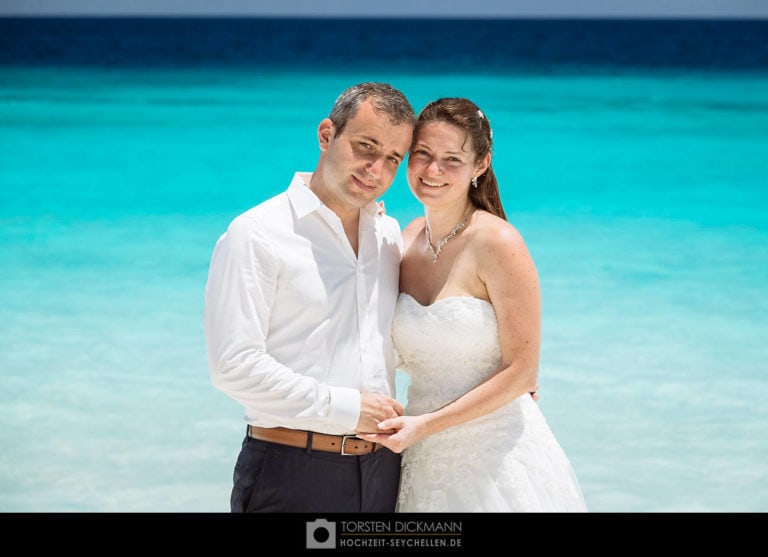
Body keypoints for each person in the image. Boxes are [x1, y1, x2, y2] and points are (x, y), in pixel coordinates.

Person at [359, 98, 588, 512]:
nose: (433, 170)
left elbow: (523, 372)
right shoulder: (403, 239)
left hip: (496, 458)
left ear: (480, 165)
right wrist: (358, 221)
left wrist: (423, 426)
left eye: (452, 159)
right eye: (423, 154)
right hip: (419, 457)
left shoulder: (498, 242)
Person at [203, 82, 416, 512]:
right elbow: (233, 367)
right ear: (326, 135)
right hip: (292, 471)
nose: (375, 169)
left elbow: (405, 340)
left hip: (385, 474)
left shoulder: (389, 237)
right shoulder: (257, 233)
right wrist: (347, 408)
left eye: (392, 158)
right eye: (365, 146)